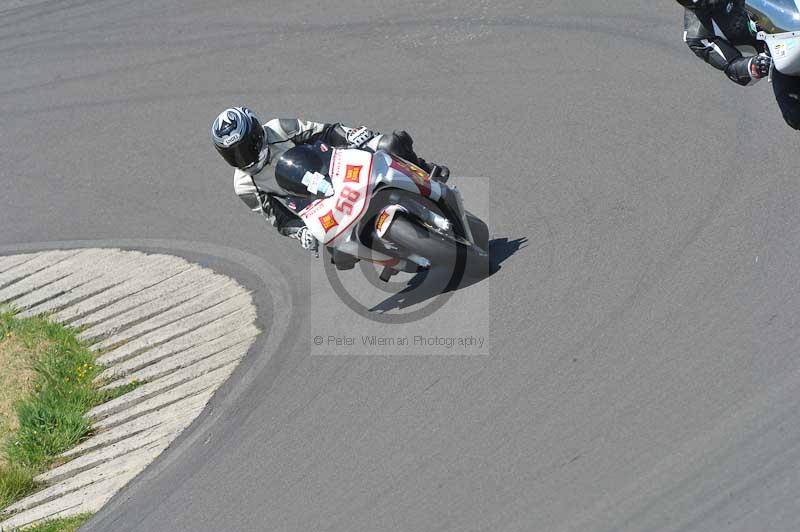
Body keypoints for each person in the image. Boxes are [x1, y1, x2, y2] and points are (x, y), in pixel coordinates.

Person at [210, 107, 450, 250]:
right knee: (340, 253)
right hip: (316, 205)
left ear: (256, 133)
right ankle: (390, 255)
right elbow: (278, 217)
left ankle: (424, 170)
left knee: (390, 143)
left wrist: (354, 135)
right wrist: (300, 232)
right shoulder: (243, 185)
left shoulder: (279, 129)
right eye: (233, 154)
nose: (243, 158)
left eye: (244, 148)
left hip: (335, 166)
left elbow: (323, 131)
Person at [677, 0, 800, 130]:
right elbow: (732, 66)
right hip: (778, 53)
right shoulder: (697, 36)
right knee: (794, 116)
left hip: (794, 19)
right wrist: (758, 65)